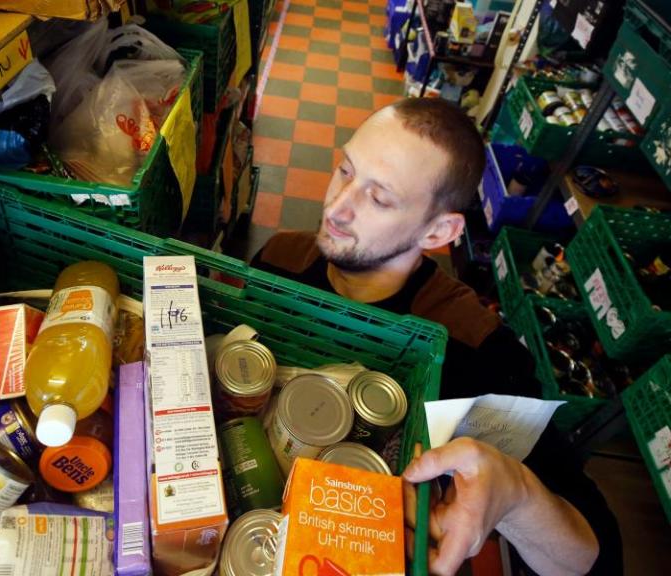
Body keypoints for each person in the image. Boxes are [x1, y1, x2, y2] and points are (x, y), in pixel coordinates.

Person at [251, 98, 621, 575]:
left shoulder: (475, 350)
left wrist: (517, 494)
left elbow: (596, 557)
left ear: (438, 231)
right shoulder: (281, 259)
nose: (338, 208)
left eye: (380, 198)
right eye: (346, 170)